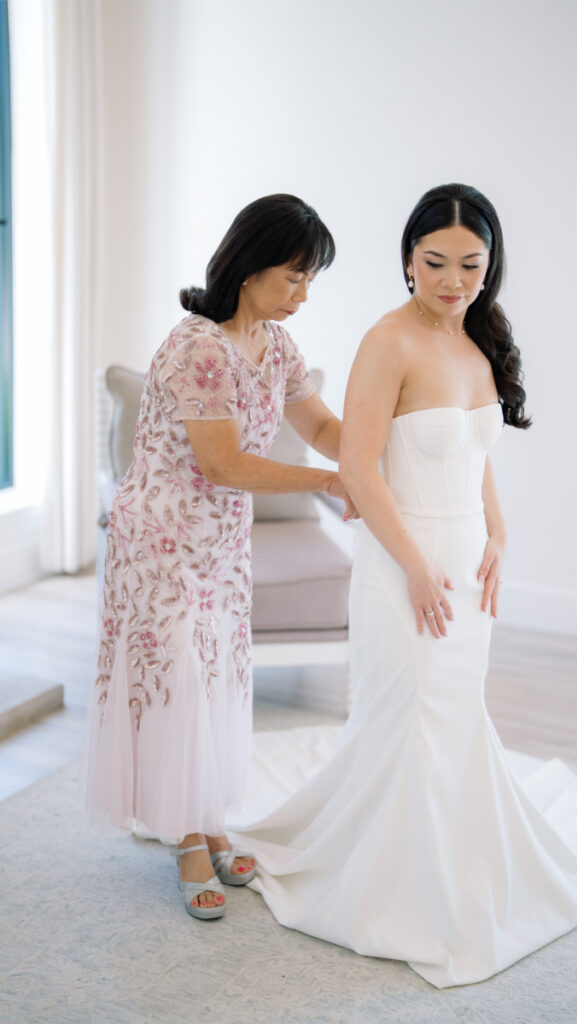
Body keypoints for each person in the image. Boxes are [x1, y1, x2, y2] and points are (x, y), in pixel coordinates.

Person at [225, 184, 577, 986]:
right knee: (411, 710)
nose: (452, 279)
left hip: (467, 557)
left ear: (489, 267)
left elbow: (474, 451)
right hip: (404, 557)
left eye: (470, 264)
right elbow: (358, 465)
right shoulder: (385, 342)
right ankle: (398, 888)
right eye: (435, 263)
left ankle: (454, 861)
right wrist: (416, 568)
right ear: (406, 261)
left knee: (454, 714)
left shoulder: (476, 342)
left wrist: (498, 532)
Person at [83, 194, 356, 920]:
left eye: (309, 281)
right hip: (161, 542)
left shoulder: (275, 342)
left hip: (221, 546)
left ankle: (208, 822)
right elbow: (225, 463)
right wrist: (332, 483)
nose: (301, 295)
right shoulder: (198, 345)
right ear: (249, 265)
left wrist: (380, 453)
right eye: (293, 277)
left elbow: (323, 424)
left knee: (211, 682)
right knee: (178, 685)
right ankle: (187, 842)